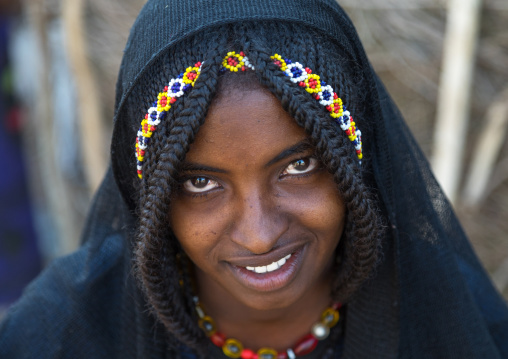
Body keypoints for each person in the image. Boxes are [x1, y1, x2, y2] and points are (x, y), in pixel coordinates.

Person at [1, 0, 507, 358]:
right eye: (201, 183)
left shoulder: (449, 321)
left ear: (355, 162)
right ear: (149, 197)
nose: (260, 233)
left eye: (298, 166)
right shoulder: (62, 334)